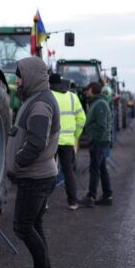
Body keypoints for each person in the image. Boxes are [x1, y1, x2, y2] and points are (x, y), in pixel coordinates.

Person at [5, 56, 61, 268]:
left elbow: (36, 143)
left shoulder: (40, 104)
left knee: (23, 227)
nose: (17, 80)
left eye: (20, 76)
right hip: (38, 175)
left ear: (31, 76)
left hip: (35, 177)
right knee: (34, 225)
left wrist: (17, 162)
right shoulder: (36, 99)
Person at [49, 73, 86, 210]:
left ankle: (43, 203)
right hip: (68, 142)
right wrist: (75, 135)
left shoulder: (48, 96)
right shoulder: (73, 97)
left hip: (51, 142)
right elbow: (82, 118)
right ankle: (72, 202)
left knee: (47, 171)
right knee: (68, 171)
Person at [78, 82, 114, 207]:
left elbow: (102, 125)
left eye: (87, 89)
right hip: (98, 141)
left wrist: (95, 140)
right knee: (102, 168)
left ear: (92, 89)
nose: (85, 92)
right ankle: (107, 195)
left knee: (94, 169)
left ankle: (91, 197)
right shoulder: (96, 103)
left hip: (99, 142)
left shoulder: (100, 104)